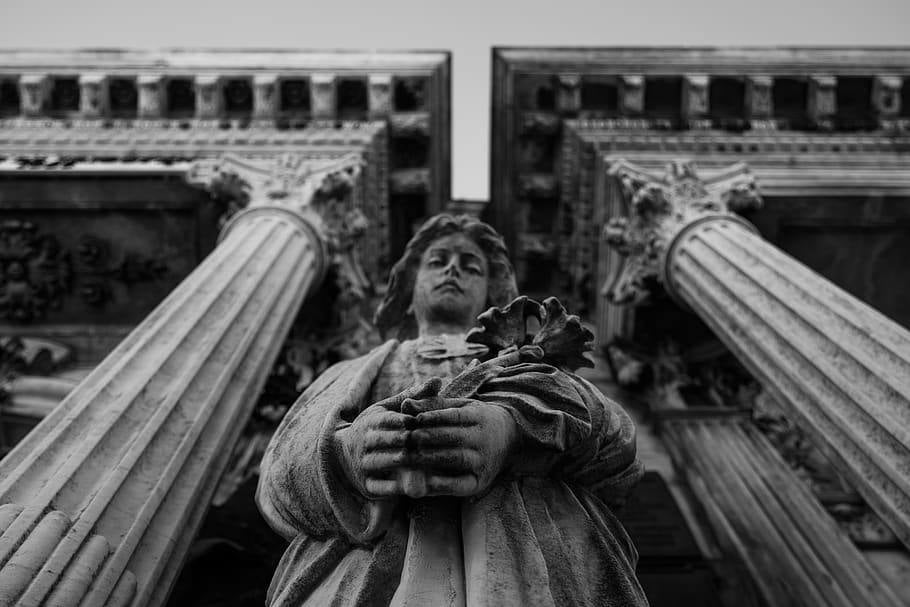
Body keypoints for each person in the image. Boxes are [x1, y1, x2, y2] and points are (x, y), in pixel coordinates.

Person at [256, 214, 647, 606]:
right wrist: (346, 454)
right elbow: (278, 480)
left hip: (531, 560)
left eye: (470, 266)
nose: (453, 270)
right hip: (364, 574)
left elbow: (619, 450)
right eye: (438, 261)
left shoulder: (533, 364)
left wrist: (513, 429)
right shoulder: (348, 373)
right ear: (408, 289)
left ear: (492, 294)